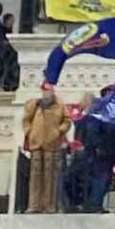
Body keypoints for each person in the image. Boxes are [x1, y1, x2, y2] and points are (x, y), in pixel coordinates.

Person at [22, 81, 72, 213]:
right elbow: (26, 119)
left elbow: (67, 121)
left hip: (52, 143)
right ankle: (34, 205)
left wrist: (59, 131)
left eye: (49, 90)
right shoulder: (34, 104)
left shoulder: (59, 104)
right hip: (36, 143)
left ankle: (49, 205)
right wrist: (29, 132)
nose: (47, 93)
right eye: (45, 90)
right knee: (35, 175)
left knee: (50, 176)